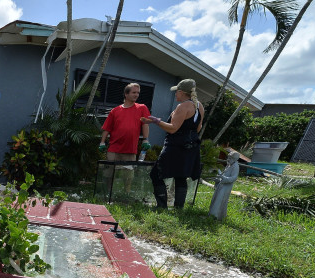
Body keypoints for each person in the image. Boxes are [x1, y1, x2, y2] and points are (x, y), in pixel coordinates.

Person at [142, 79, 204, 208]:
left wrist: (156, 121)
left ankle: (162, 206)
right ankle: (178, 208)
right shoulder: (199, 106)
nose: (175, 94)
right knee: (180, 176)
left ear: (181, 92)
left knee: (156, 174)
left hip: (176, 146)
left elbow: (173, 128)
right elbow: (198, 128)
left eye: (176, 92)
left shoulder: (183, 106)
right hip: (191, 146)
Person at [99, 83, 151, 193]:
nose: (136, 95)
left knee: (128, 175)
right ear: (126, 94)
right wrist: (102, 142)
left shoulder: (142, 108)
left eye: (138, 93)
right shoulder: (115, 110)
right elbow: (107, 128)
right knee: (110, 174)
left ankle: (126, 194)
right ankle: (108, 193)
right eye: (134, 92)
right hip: (113, 148)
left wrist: (146, 139)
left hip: (130, 149)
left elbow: (145, 124)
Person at [209, 151, 239, 220]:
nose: (228, 160)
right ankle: (212, 214)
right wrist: (218, 178)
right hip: (221, 184)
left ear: (234, 159)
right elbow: (224, 174)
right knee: (216, 198)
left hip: (226, 186)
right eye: (228, 158)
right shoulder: (229, 165)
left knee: (220, 199)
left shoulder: (235, 167)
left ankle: (216, 215)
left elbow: (234, 178)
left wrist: (224, 178)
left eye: (230, 158)